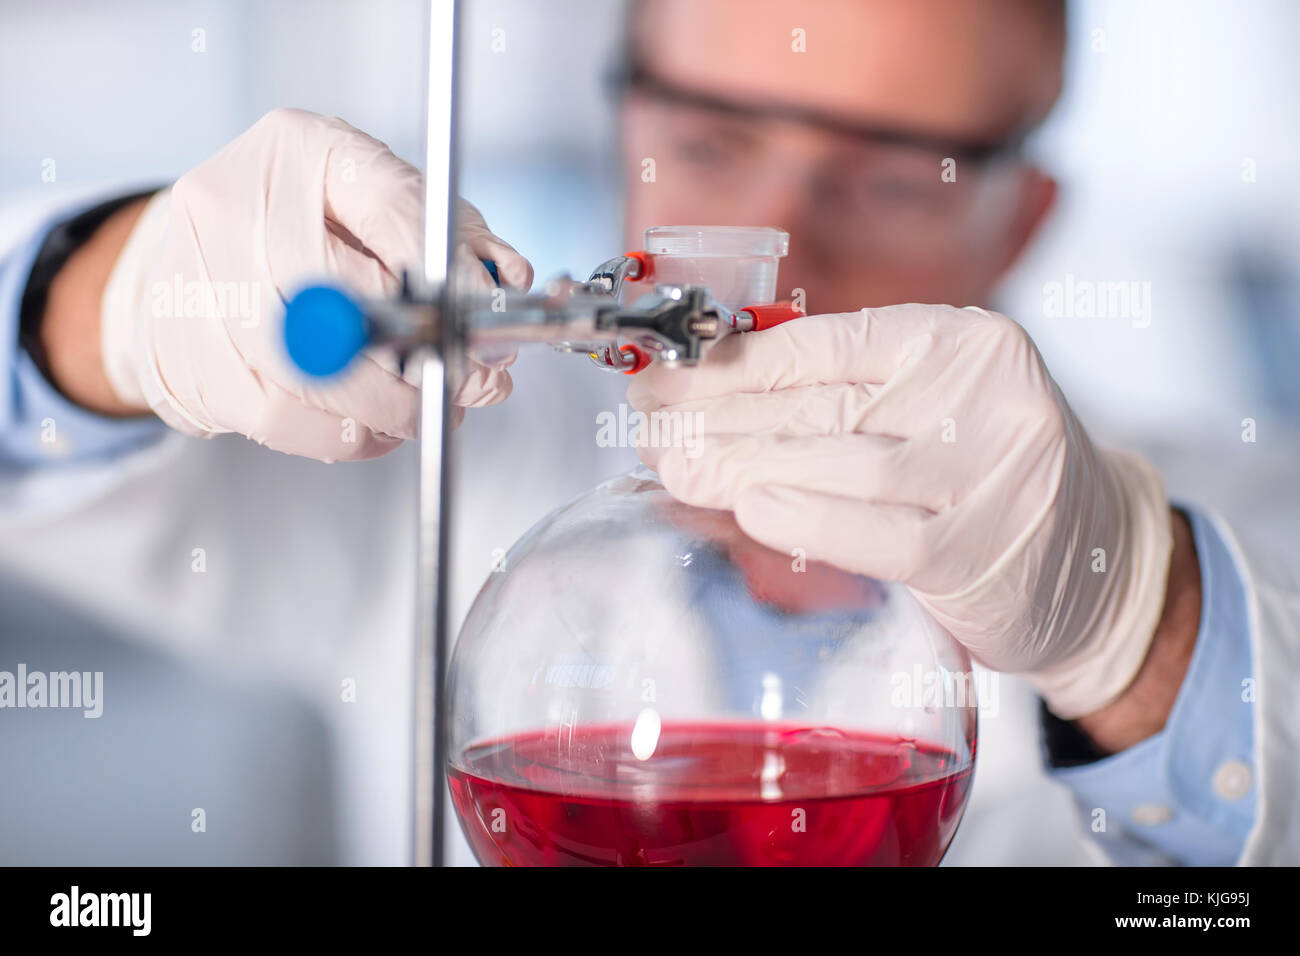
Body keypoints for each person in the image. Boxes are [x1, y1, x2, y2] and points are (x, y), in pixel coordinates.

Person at [1, 0, 1291, 865]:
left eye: (893, 176)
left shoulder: (1236, 521)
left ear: (1022, 222)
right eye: (714, 140)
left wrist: (1136, 621)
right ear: (625, 131)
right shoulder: (453, 452)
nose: (787, 232)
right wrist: (113, 300)